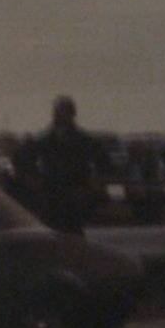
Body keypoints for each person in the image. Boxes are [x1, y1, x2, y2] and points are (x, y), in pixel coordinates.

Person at [19, 96, 106, 234]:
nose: (59, 116)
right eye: (57, 112)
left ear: (72, 114)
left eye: (63, 112)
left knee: (73, 232)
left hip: (75, 192)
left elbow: (102, 163)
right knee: (52, 233)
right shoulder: (43, 139)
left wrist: (92, 185)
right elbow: (24, 159)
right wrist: (33, 180)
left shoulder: (84, 140)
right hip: (51, 193)